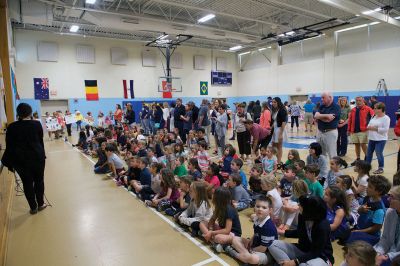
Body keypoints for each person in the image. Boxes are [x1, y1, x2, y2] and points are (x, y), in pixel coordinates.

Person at [1, 103, 47, 214]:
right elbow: (40, 141)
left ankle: (33, 208)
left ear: (18, 113)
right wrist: (43, 154)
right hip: (37, 157)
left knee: (27, 183)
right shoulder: (36, 124)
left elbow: (9, 146)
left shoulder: (11, 127)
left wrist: (8, 162)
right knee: (39, 181)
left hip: (20, 161)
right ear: (30, 113)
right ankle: (40, 204)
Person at [269, 195, 334, 266]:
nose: (298, 205)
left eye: (301, 205)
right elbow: (300, 232)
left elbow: (316, 252)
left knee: (303, 265)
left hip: (321, 256)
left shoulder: (323, 226)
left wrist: (295, 262)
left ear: (309, 210)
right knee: (272, 244)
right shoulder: (302, 216)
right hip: (304, 250)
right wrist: (281, 232)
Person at [225, 195, 278, 265]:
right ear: (254, 207)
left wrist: (250, 250)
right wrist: (250, 241)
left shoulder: (268, 227)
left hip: (267, 253)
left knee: (253, 259)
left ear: (270, 210)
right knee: (234, 239)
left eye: (264, 207)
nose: (260, 209)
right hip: (255, 246)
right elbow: (256, 233)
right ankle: (245, 257)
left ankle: (233, 252)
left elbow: (263, 249)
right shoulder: (257, 218)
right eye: (258, 206)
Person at [374, 186, 400, 266]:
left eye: (392, 197)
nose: (388, 199)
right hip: (389, 249)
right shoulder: (390, 212)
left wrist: (387, 256)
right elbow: (385, 237)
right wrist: (378, 252)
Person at [348, 96, 374, 166]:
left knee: (363, 144)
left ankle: (368, 159)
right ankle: (358, 159)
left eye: (360, 100)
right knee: (356, 144)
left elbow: (374, 118)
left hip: (363, 130)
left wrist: (368, 126)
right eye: (357, 101)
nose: (358, 102)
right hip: (354, 130)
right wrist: (349, 130)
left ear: (363, 101)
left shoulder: (368, 109)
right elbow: (350, 120)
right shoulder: (353, 110)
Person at [314, 91, 341, 159]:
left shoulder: (336, 107)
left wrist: (320, 116)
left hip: (330, 132)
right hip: (320, 132)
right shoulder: (322, 106)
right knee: (320, 153)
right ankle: (323, 168)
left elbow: (328, 120)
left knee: (332, 154)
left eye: (323, 97)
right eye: (321, 98)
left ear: (330, 97)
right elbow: (316, 116)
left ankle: (334, 169)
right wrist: (326, 115)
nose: (322, 99)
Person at [366, 102, 390, 174]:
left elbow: (385, 130)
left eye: (375, 108)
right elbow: (369, 125)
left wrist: (375, 129)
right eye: (374, 108)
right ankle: (367, 167)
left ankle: (381, 168)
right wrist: (371, 127)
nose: (374, 109)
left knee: (379, 153)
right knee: (369, 153)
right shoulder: (373, 116)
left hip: (381, 139)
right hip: (371, 138)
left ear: (381, 109)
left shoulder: (386, 118)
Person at [271, 97, 288, 163]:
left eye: (275, 102)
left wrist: (281, 134)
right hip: (274, 130)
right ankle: (274, 161)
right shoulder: (274, 110)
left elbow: (284, 122)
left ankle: (278, 162)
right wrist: (271, 127)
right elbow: (275, 121)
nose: (273, 103)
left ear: (278, 102)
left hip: (280, 129)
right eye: (272, 102)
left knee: (279, 147)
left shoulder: (282, 110)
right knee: (273, 146)